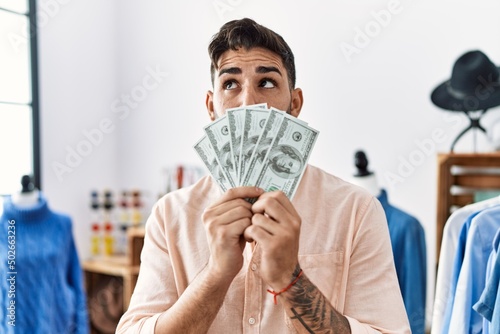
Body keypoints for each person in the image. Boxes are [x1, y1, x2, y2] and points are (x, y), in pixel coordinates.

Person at [116, 18, 410, 333]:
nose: (248, 102)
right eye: (230, 84)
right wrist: (216, 273)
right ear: (211, 106)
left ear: (294, 103)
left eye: (266, 82)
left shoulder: (356, 210)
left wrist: (289, 278)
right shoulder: (169, 215)